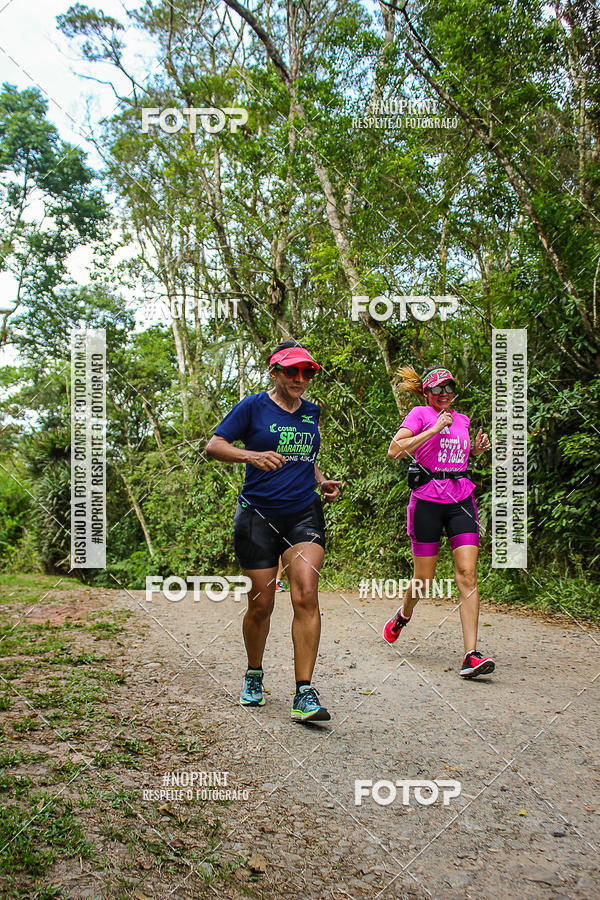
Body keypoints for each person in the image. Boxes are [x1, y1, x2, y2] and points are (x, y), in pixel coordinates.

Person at [206, 341, 341, 722]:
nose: (300, 378)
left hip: (303, 513)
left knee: (306, 592)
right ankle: (253, 673)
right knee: (261, 604)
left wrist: (321, 480)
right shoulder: (253, 406)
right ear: (275, 372)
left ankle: (304, 692)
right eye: (292, 371)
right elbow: (213, 445)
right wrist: (251, 456)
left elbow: (304, 458)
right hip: (256, 516)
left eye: (307, 372)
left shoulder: (312, 412)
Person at [382, 364, 495, 678]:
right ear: (426, 392)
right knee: (424, 580)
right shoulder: (420, 414)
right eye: (437, 388)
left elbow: (452, 455)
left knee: (467, 574)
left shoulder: (462, 419)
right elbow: (394, 451)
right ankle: (403, 615)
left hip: (461, 499)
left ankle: (471, 655)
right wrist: (432, 429)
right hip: (428, 503)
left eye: (449, 387)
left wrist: (474, 450)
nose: (444, 393)